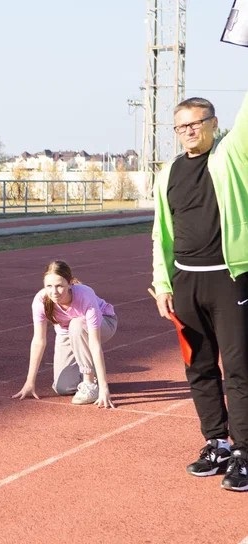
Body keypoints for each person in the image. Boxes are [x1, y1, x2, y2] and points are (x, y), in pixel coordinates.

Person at [152, 92, 248, 492]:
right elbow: (161, 231)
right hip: (185, 282)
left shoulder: (230, 156)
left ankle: (244, 452)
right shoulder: (168, 173)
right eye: (181, 126)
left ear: (213, 123)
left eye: (196, 123)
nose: (188, 131)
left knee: (240, 369)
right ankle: (217, 443)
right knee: (199, 367)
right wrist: (162, 283)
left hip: (229, 278)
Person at [13, 260, 117, 408]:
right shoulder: (41, 301)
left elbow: (94, 344)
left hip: (104, 324)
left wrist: (104, 389)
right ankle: (91, 376)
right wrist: (30, 382)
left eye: (59, 286)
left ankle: (90, 384)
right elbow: (39, 341)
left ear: (70, 284)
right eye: (49, 286)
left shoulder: (85, 295)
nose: (54, 292)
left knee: (76, 324)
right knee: (63, 388)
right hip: (67, 332)